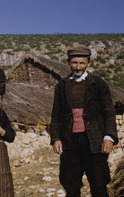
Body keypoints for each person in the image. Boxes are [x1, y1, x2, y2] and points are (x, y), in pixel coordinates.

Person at [49, 45, 119, 197]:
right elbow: (56, 115)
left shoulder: (99, 84)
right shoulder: (61, 86)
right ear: (68, 62)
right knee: (71, 186)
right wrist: (56, 138)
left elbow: (109, 112)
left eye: (82, 63)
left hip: (94, 142)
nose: (78, 67)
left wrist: (109, 137)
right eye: (74, 62)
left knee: (99, 185)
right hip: (70, 142)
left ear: (89, 63)